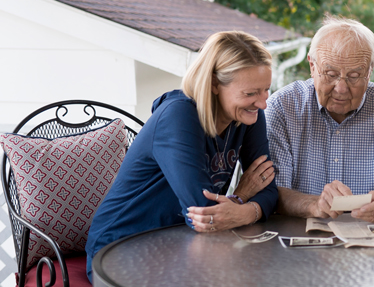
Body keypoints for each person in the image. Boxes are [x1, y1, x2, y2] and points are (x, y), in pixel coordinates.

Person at [86, 31, 278, 280]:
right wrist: (242, 197)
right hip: (122, 247)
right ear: (214, 84)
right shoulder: (178, 116)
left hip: (183, 244)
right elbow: (203, 213)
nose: (262, 103)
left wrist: (242, 210)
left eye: (265, 90)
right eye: (250, 93)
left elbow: (269, 190)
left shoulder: (249, 116)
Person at [265, 15, 374, 223]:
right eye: (330, 73)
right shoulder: (282, 108)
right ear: (312, 66)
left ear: (370, 71)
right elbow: (271, 192)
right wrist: (314, 205)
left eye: (354, 76)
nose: (341, 88)